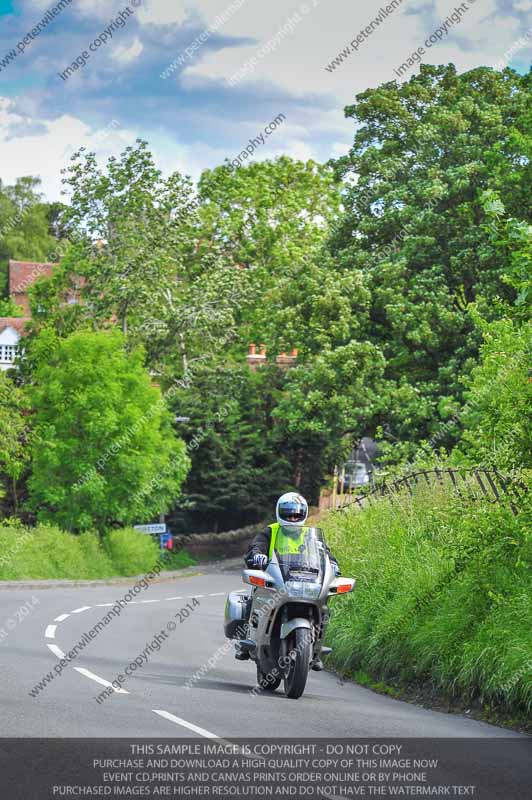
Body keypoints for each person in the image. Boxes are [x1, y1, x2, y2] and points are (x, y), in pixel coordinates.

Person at [238, 492, 340, 670]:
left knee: (324, 608)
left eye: (297, 514)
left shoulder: (310, 536)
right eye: (288, 514)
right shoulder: (270, 531)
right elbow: (256, 547)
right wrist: (257, 556)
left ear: (303, 514)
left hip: (304, 580)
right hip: (274, 578)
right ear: (279, 513)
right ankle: (247, 641)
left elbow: (325, 554)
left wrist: (333, 564)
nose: (292, 518)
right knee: (253, 598)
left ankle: (313, 649)